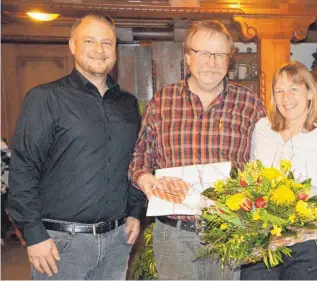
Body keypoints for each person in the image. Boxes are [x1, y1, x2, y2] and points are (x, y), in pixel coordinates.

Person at [7, 13, 147, 280]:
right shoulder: (44, 98)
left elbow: (135, 161)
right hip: (59, 245)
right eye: (90, 41)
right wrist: (34, 234)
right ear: (72, 45)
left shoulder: (128, 104)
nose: (99, 50)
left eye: (107, 43)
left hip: (117, 242)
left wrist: (135, 211)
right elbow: (23, 169)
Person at [128, 20, 266, 280]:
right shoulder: (162, 101)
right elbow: (139, 159)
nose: (211, 63)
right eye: (203, 53)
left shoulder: (250, 104)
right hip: (173, 234)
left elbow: (263, 168)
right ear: (188, 57)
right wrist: (145, 179)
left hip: (227, 232)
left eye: (219, 55)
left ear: (229, 60)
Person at [239, 61, 317, 280]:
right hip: (263, 244)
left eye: (294, 89)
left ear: (310, 93)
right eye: (280, 91)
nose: (286, 98)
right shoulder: (263, 129)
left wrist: (292, 234)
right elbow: (253, 180)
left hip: (308, 246)